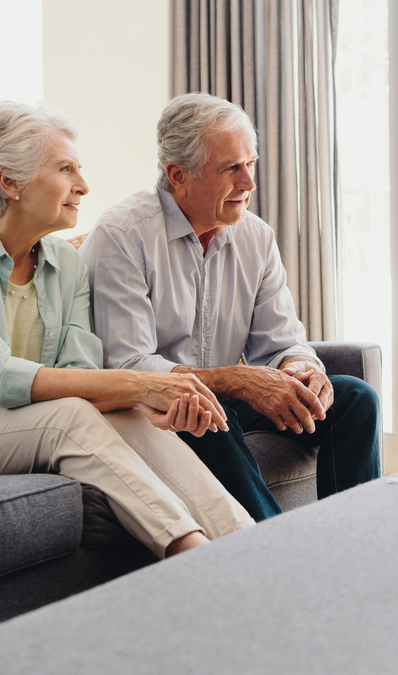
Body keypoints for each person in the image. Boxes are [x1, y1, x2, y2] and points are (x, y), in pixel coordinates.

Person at [0, 101, 253, 559]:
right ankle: (191, 553)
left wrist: (148, 398)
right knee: (70, 417)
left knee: (124, 410)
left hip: (10, 429)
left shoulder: (66, 264)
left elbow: (81, 374)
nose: (83, 185)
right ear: (9, 182)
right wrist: (142, 382)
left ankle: (247, 547)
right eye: (65, 169)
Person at [81, 93, 381, 521]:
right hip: (153, 409)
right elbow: (127, 364)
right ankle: (275, 551)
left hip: (220, 399)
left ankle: (353, 544)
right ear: (178, 175)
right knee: (204, 413)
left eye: (250, 164)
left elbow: (280, 342)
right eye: (231, 169)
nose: (249, 183)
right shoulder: (123, 235)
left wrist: (301, 369)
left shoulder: (255, 237)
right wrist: (236, 380)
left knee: (355, 398)